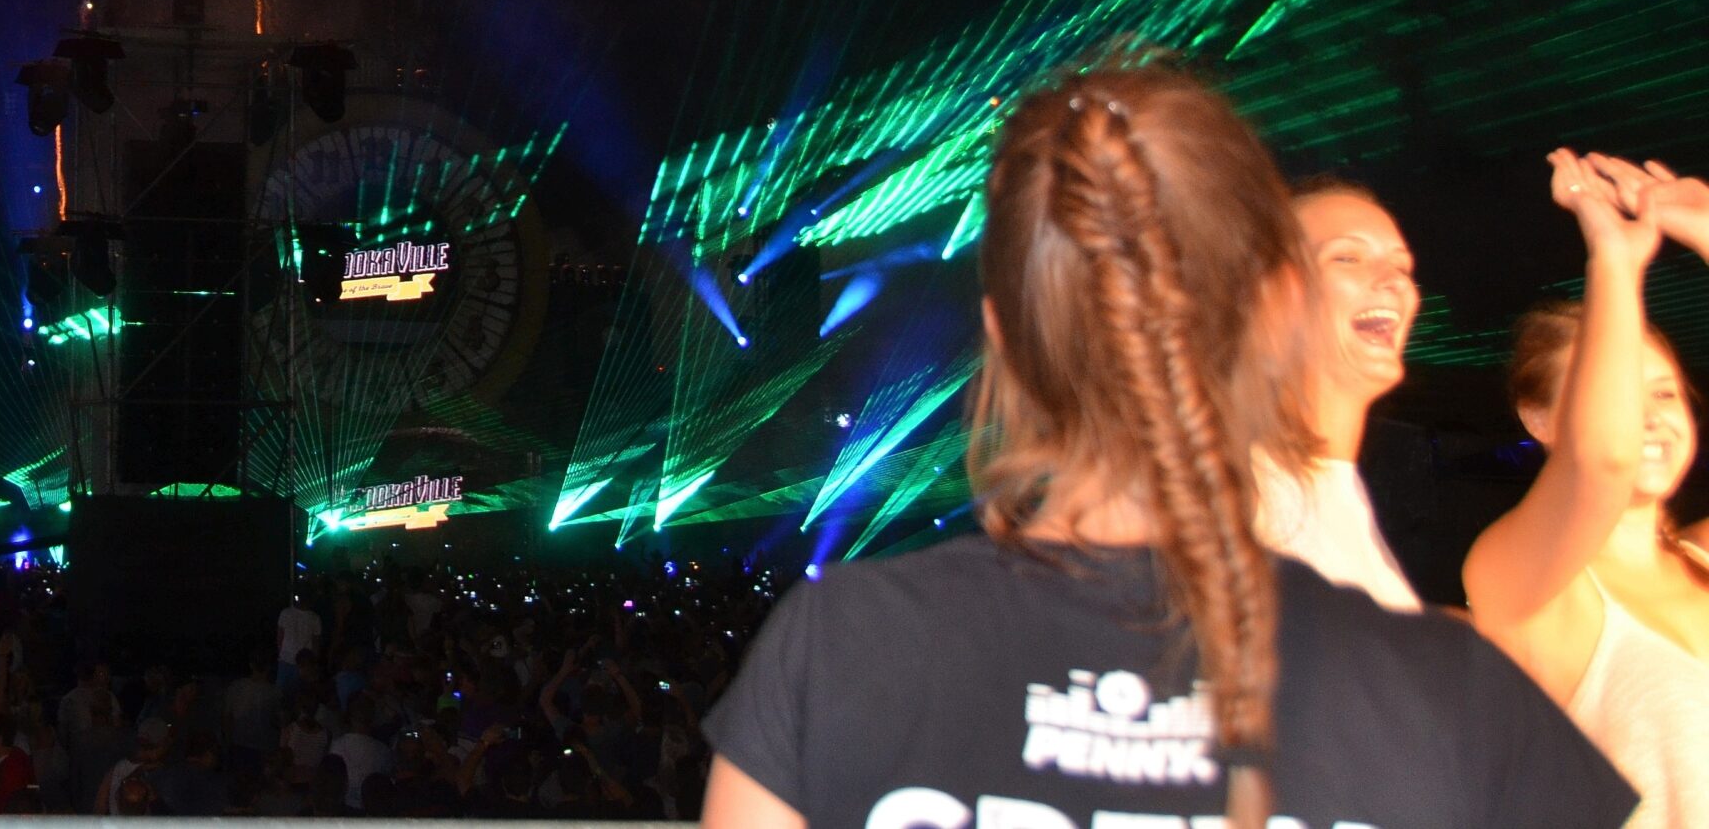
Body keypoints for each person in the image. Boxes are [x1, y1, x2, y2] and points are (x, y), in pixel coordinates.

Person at [697, 54, 1637, 829]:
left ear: (1005, 339)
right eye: (1349, 260)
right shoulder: (1449, 696)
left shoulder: (843, 650)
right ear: (1273, 315)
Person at [1462, 151, 1709, 829]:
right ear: (1539, 419)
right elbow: (1604, 459)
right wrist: (1615, 264)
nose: (1650, 416)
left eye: (1662, 392)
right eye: (1619, 391)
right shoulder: (1522, 581)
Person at [1253, 181, 1425, 609]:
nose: (1394, 283)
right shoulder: (1240, 492)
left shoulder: (1340, 494)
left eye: (1402, 268)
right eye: (1347, 257)